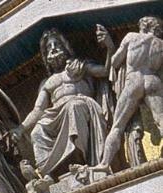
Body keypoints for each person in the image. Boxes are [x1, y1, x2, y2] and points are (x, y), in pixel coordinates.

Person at [15, 29, 109, 179]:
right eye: (49, 47)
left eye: (57, 44)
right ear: (46, 56)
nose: (53, 48)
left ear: (66, 48)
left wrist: (109, 47)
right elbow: (38, 110)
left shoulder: (79, 65)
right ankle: (46, 174)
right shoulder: (47, 83)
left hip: (81, 105)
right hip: (57, 115)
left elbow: (105, 71)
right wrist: (21, 129)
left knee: (73, 107)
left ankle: (81, 161)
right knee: (37, 131)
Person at [98, 17, 163, 169]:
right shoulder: (161, 44)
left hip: (134, 80)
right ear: (155, 28)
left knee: (118, 126)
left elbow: (114, 62)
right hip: (152, 80)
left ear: (143, 26)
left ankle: (104, 164)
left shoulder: (131, 37)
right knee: (161, 119)